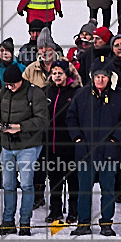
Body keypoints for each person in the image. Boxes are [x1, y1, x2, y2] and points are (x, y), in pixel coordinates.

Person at [68, 68, 121, 237]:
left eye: (104, 76)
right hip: (86, 152)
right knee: (84, 189)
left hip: (108, 153)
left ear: (109, 78)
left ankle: (106, 223)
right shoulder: (81, 94)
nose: (101, 80)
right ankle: (83, 223)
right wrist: (77, 139)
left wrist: (115, 140)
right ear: (92, 78)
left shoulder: (119, 95)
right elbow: (71, 117)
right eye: (97, 77)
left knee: (108, 189)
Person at [0, 65, 48, 235]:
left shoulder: (35, 93)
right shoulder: (3, 92)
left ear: (20, 80)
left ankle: (25, 223)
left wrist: (20, 127)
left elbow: (42, 120)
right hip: (7, 146)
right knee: (8, 184)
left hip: (28, 146)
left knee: (26, 184)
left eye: (13, 84)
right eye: (7, 84)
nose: (10, 87)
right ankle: (8, 221)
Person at [43, 61, 82, 224]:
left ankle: (73, 211)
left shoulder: (77, 92)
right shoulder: (47, 91)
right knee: (55, 179)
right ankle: (56, 210)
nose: (57, 76)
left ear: (67, 74)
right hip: (52, 145)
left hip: (71, 144)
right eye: (54, 73)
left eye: (60, 72)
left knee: (73, 180)